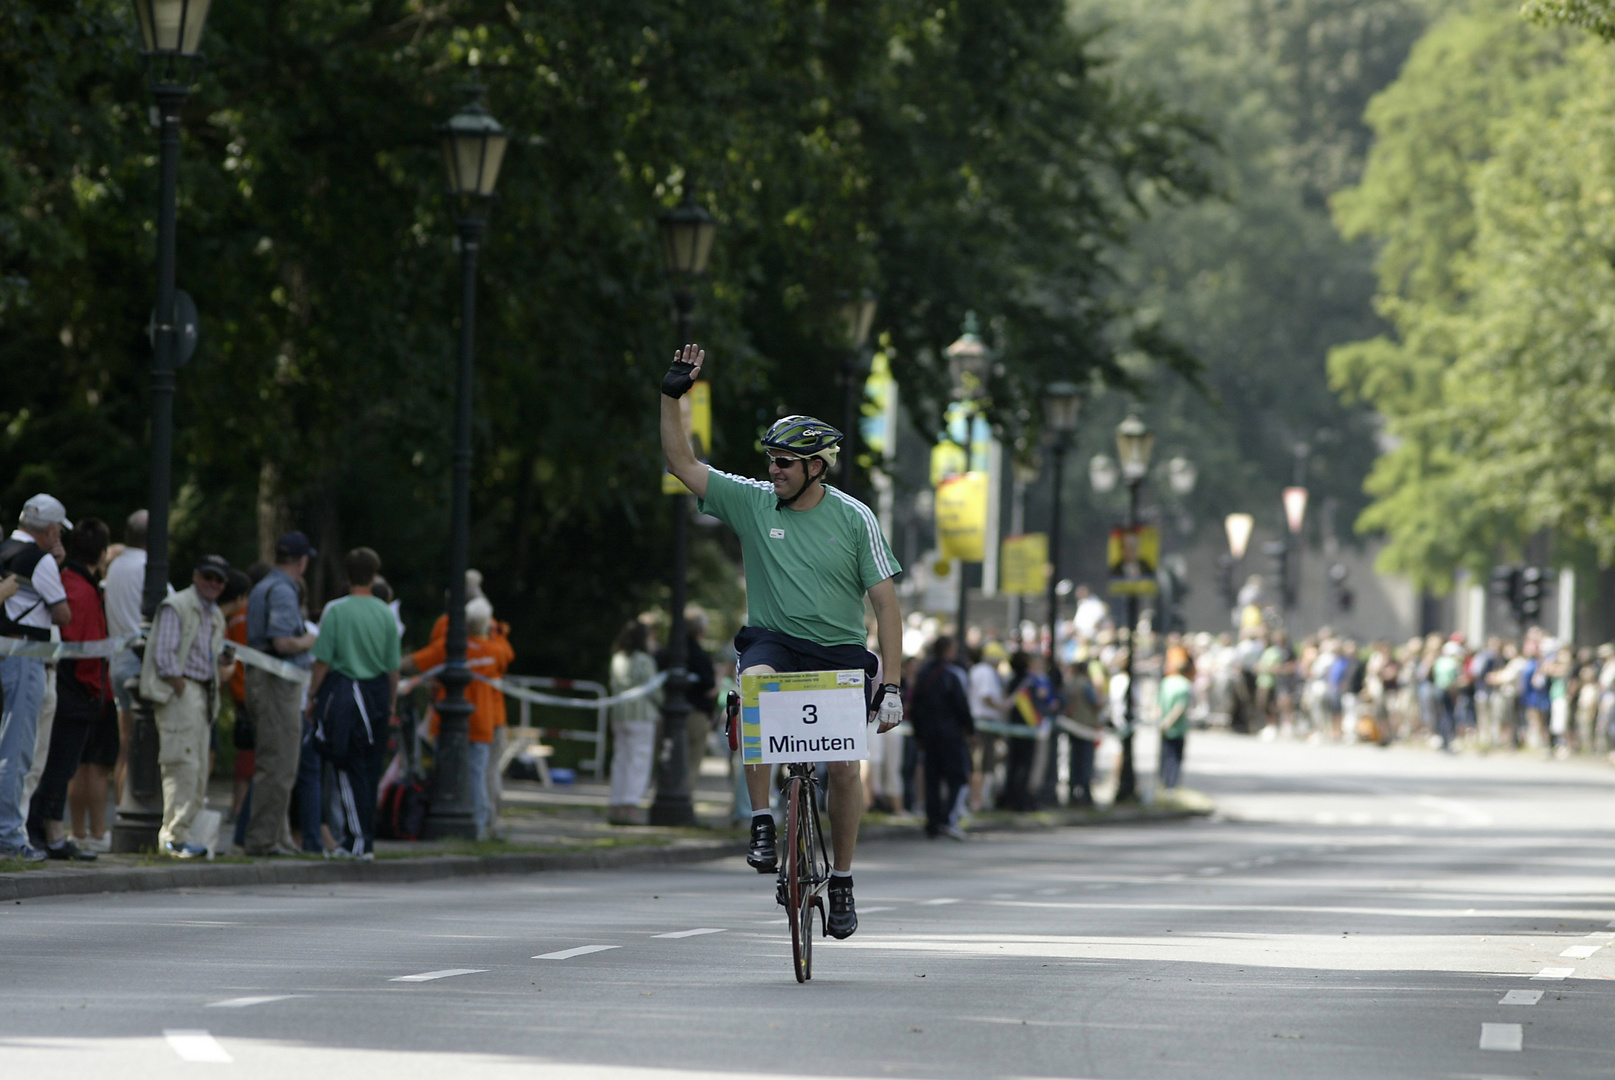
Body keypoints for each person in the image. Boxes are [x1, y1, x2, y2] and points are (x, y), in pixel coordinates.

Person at [660, 343, 905, 940]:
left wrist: (892, 686)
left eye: (786, 463)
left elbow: (886, 607)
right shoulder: (753, 502)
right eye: (771, 460)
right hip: (772, 639)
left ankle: (842, 881)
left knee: (846, 767)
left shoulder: (854, 518)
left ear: (816, 467)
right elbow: (681, 465)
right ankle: (764, 820)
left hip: (841, 650)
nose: (774, 470)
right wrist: (672, 398)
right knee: (753, 686)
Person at [305, 548, 400, 858]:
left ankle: (356, 839)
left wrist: (311, 696)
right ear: (374, 575)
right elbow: (392, 667)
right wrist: (392, 701)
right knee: (371, 768)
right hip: (376, 693)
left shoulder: (336, 610)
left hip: (346, 692)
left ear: (347, 575)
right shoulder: (386, 613)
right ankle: (364, 837)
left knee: (346, 764)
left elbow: (322, 661)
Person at [26, 518, 112, 860]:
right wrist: (95, 691)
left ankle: (46, 832)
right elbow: (85, 646)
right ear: (103, 553)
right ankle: (49, 833)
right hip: (76, 689)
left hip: (64, 682)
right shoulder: (82, 588)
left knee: (50, 763)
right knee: (59, 766)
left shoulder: (67, 579)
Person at [139, 554, 232, 857]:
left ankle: (183, 834)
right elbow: (164, 654)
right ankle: (172, 837)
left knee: (199, 769)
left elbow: (205, 651)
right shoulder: (176, 605)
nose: (213, 584)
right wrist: (179, 684)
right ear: (195, 575)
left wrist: (221, 663)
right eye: (208, 576)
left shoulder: (214, 614)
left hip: (204, 693)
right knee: (182, 764)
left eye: (219, 579)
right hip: (183, 691)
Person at [400, 595, 514, 838]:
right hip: (482, 720)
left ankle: (442, 814)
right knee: (477, 774)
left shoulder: (449, 645)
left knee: (445, 769)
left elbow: (416, 660)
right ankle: (480, 824)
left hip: (447, 720)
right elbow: (508, 655)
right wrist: (497, 631)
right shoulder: (494, 650)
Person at [0, 494, 74, 861]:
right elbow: (62, 615)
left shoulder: (5, 549)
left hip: (4, 652)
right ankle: (10, 836)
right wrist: (55, 567)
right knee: (17, 750)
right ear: (50, 529)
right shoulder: (41, 560)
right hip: (26, 656)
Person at [242, 531, 319, 856]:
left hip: (266, 681)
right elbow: (283, 641)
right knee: (279, 763)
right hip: (276, 684)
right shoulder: (284, 591)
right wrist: (311, 641)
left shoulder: (266, 585)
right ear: (302, 561)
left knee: (280, 760)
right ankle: (263, 839)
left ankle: (279, 835)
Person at [103, 510, 153, 802]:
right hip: (139, 663)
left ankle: (123, 809)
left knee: (125, 746)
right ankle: (136, 808)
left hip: (116, 660)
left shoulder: (116, 565)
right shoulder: (149, 567)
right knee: (142, 746)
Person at [909, 636, 973, 840]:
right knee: (958, 776)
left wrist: (919, 734)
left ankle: (933, 822)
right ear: (949, 650)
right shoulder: (952, 674)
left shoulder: (924, 674)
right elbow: (961, 706)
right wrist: (970, 729)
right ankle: (949, 819)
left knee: (932, 779)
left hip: (929, 734)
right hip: (951, 734)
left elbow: (916, 707)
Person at [605, 620, 661, 825]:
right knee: (638, 762)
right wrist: (661, 706)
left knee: (620, 760)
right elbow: (653, 689)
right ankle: (630, 806)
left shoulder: (617, 658)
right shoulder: (644, 660)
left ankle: (616, 805)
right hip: (642, 716)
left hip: (620, 715)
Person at [966, 642, 1007, 813]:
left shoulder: (977, 670)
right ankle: (977, 801)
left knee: (982, 764)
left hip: (980, 722)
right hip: (983, 722)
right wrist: (1002, 706)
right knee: (980, 765)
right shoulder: (987, 672)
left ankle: (977, 799)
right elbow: (986, 697)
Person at [1158, 653, 1192, 790]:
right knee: (1175, 758)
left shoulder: (1166, 682)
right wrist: (1169, 722)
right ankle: (1171, 785)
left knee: (1164, 756)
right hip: (1177, 728)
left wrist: (1162, 722)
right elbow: (1179, 707)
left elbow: (1158, 703)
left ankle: (1162, 782)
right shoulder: (1185, 685)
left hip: (1164, 726)